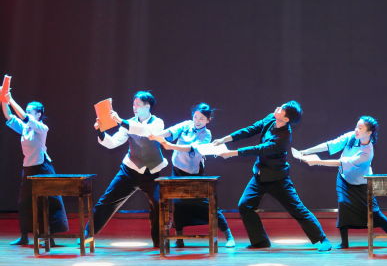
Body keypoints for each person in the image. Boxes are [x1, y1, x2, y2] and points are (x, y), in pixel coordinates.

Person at [214, 101, 332, 251]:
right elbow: (251, 129)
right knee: (245, 205)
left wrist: (232, 153)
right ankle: (260, 241)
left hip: (277, 179)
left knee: (297, 209)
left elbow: (260, 149)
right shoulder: (271, 118)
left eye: (282, 109)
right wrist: (224, 139)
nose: (278, 108)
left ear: (286, 119)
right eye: (281, 106)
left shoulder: (284, 137)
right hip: (259, 175)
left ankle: (322, 240)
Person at [298, 116, 387, 249]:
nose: (356, 130)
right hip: (344, 178)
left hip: (362, 183)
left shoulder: (367, 152)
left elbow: (341, 162)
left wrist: (318, 162)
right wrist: (307, 151)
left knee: (374, 212)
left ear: (369, 132)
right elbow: (330, 144)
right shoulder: (351, 136)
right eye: (356, 127)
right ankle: (344, 242)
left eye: (360, 128)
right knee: (343, 205)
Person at [150, 103, 235, 248]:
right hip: (177, 170)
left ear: (208, 120)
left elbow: (192, 148)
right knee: (178, 204)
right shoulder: (186, 125)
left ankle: (228, 235)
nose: (197, 120)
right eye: (196, 117)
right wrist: (156, 136)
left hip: (195, 173)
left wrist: (171, 146)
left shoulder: (207, 134)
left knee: (207, 204)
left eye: (202, 118)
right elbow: (170, 131)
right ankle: (179, 238)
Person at [89, 91, 167, 247]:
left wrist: (121, 121)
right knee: (106, 201)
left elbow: (146, 131)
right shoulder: (128, 123)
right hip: (129, 171)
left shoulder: (158, 122)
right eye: (133, 104)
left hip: (152, 173)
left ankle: (159, 242)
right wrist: (100, 131)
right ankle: (87, 234)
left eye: (138, 104)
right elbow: (113, 143)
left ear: (148, 106)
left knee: (159, 205)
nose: (134, 107)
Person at [1, 89, 68, 246]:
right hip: (29, 168)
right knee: (24, 202)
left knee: (49, 201)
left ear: (38, 114)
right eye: (27, 110)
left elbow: (24, 117)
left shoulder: (42, 128)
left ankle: (50, 237)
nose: (27, 113)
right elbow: (8, 115)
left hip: (43, 167)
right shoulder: (24, 128)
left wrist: (10, 99)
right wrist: (3, 98)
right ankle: (24, 236)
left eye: (30, 111)